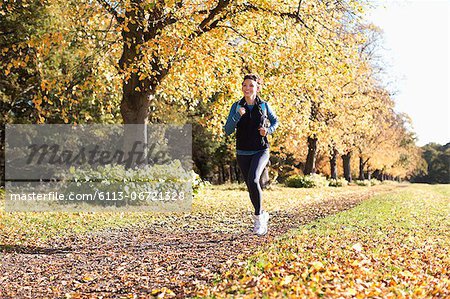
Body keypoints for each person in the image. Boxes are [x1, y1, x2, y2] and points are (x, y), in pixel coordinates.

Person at [224, 74, 279, 236]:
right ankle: (261, 213)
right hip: (242, 151)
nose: (247, 89)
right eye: (245, 85)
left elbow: (276, 122)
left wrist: (268, 131)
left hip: (261, 150)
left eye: (251, 86)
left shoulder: (264, 106)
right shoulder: (236, 106)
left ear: (257, 88)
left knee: (253, 179)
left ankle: (259, 218)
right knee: (250, 185)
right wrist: (237, 116)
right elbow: (227, 130)